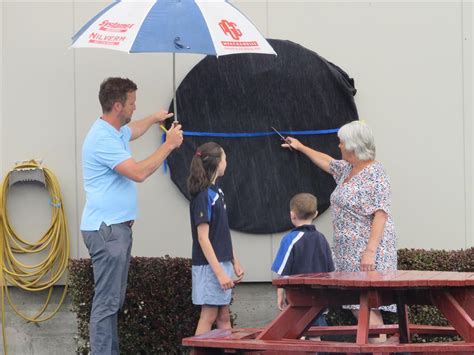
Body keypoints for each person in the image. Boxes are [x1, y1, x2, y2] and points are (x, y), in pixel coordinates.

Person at [80, 77, 183, 355]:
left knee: (112, 301)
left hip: (115, 230)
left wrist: (154, 118)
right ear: (117, 105)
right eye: (132, 104)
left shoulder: (114, 131)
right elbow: (138, 172)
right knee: (106, 303)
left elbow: (133, 130)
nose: (134, 108)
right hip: (108, 231)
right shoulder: (102, 139)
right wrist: (169, 145)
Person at [282, 120, 397, 343]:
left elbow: (381, 214)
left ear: (354, 146)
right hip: (350, 253)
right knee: (361, 308)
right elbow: (327, 162)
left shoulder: (376, 174)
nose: (339, 146)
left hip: (367, 253)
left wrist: (370, 252)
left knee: (368, 307)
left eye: (342, 143)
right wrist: (301, 147)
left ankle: (378, 350)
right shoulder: (348, 169)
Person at [187, 142, 244, 335]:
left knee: (223, 316)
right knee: (209, 315)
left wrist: (234, 260)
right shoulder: (203, 196)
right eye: (225, 158)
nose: (227, 162)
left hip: (221, 263)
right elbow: (203, 238)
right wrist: (219, 274)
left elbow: (222, 231)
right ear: (217, 163)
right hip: (209, 266)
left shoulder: (217, 192)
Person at [271, 193, 334, 330]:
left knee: (296, 332)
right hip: (319, 299)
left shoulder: (290, 240)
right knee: (316, 333)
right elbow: (330, 270)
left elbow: (282, 272)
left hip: (297, 299)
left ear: (292, 214)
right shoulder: (322, 239)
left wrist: (280, 293)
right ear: (316, 213)